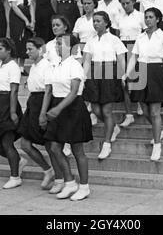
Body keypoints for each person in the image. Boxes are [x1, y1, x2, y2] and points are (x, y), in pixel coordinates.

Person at [41, 34, 93, 201]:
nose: (57, 46)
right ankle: (70, 182)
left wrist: (58, 109)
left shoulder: (75, 65)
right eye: (56, 43)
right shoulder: (54, 65)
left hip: (73, 108)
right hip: (58, 106)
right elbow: (49, 90)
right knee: (55, 147)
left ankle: (84, 187)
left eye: (61, 44)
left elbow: (74, 92)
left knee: (78, 150)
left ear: (71, 47)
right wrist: (44, 112)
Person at [123, 8, 163, 161]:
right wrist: (127, 73)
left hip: (156, 71)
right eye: (146, 17)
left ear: (158, 19)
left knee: (155, 112)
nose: (147, 20)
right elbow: (134, 57)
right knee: (144, 109)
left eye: (151, 17)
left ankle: (157, 146)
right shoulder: (140, 37)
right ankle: (159, 130)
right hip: (141, 71)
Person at [17, 37, 64, 193]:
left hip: (44, 102)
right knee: (25, 143)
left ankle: (60, 179)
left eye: (30, 49)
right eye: (27, 49)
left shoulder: (46, 65)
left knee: (50, 144)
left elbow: (48, 90)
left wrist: (43, 113)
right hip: (33, 102)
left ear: (40, 49)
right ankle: (47, 169)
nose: (27, 52)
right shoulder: (34, 66)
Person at [83, 11, 127, 160]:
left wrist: (124, 75)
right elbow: (87, 61)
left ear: (106, 23)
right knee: (95, 109)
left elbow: (121, 59)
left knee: (107, 111)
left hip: (109, 73)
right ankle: (113, 127)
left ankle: (107, 144)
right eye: (94, 21)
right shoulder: (91, 41)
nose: (95, 23)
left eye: (99, 21)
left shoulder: (114, 40)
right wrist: (84, 77)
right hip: (94, 74)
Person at [0, 38, 24, 190]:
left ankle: (15, 176)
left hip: (8, 103)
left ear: (8, 50)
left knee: (7, 142)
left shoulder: (13, 67)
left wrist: (13, 112)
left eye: (0, 49)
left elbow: (14, 90)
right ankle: (18, 161)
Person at [45, 15, 82, 156]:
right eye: (53, 25)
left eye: (58, 25)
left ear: (65, 27)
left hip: (67, 81)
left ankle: (67, 142)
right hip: (54, 81)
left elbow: (77, 61)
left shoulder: (71, 43)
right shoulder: (49, 45)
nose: (55, 27)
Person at [115, 0, 146, 128]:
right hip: (123, 48)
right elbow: (117, 36)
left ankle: (139, 102)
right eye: (123, 3)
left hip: (137, 47)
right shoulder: (119, 17)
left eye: (128, 3)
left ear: (134, 1)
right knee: (124, 82)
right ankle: (129, 114)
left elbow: (146, 33)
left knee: (137, 79)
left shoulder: (141, 16)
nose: (126, 5)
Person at [8, 0, 36, 75]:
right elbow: (14, 6)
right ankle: (15, 68)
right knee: (17, 39)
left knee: (25, 40)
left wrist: (32, 20)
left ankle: (21, 67)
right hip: (17, 16)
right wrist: (25, 20)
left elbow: (31, 5)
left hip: (26, 13)